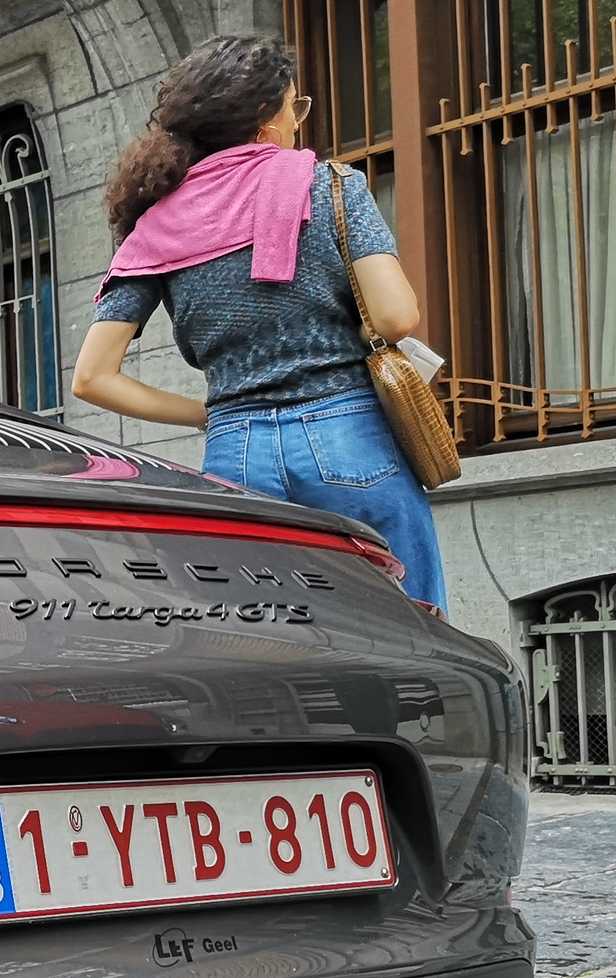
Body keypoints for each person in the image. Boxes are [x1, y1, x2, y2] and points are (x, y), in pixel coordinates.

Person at [68, 34, 447, 613]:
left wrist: (210, 413)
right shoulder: (328, 185)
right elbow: (397, 317)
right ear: (266, 118)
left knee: (280, 637)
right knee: (412, 626)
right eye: (295, 106)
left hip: (235, 454)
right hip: (349, 435)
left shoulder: (157, 221)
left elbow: (93, 377)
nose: (299, 121)